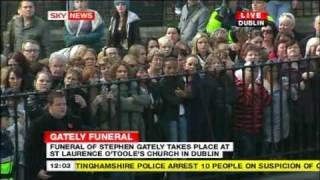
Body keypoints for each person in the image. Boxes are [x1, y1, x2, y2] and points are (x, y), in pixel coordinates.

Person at [25, 90, 85, 180]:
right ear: (50, 106)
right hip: (50, 172)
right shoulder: (38, 125)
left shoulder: (74, 121)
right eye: (58, 105)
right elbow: (30, 150)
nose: (62, 107)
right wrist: (37, 170)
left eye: (64, 104)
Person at [233, 61, 272, 158]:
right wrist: (251, 91)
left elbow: (268, 100)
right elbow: (245, 102)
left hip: (258, 127)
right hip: (243, 128)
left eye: (255, 71)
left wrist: (257, 90)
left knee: (257, 153)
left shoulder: (258, 85)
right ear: (243, 71)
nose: (253, 74)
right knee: (246, 154)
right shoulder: (238, 84)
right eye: (250, 71)